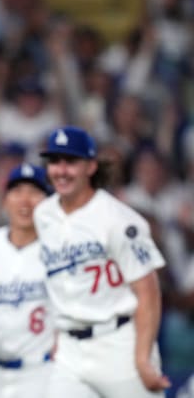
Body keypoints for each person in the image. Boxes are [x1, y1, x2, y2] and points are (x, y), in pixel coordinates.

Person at [33, 126, 170, 397]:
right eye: (55, 162)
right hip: (70, 352)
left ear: (91, 166)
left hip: (119, 343)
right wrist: (58, 336)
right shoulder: (43, 214)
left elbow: (149, 293)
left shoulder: (120, 220)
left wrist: (142, 358)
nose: (61, 170)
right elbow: (62, 282)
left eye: (71, 161)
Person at [0, 163, 54, 398]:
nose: (25, 200)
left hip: (45, 373)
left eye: (34, 192)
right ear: (5, 200)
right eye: (17, 191)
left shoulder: (58, 251)